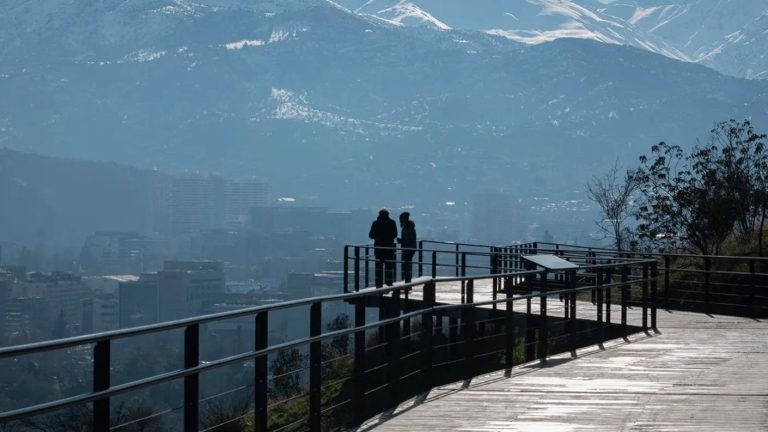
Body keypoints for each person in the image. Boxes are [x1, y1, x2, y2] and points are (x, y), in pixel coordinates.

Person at [369, 208, 398, 287]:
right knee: (389, 266)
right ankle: (389, 283)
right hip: (389, 248)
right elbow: (395, 234)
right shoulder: (392, 222)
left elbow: (371, 235)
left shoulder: (375, 223)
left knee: (379, 267)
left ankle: (379, 284)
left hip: (379, 248)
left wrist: (378, 237)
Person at [397, 212, 417, 283]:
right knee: (407, 265)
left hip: (407, 249)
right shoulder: (410, 227)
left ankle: (407, 282)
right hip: (410, 248)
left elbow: (408, 239)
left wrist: (401, 241)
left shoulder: (406, 228)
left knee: (406, 266)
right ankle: (407, 281)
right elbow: (410, 239)